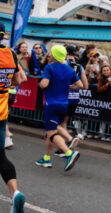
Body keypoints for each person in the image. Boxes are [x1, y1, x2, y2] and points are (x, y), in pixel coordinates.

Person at [35, 45, 83, 171]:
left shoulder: (49, 67)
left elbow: (44, 84)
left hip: (52, 103)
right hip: (64, 104)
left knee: (51, 133)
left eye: (51, 53)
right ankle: (46, 158)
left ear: (55, 55)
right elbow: (80, 85)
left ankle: (69, 153)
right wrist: (68, 87)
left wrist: (40, 84)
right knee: (53, 129)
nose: (49, 54)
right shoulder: (70, 70)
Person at [0, 21, 27, 213]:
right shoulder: (10, 54)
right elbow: (18, 80)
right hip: (1, 113)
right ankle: (15, 193)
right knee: (0, 156)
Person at [54, 45, 88, 157]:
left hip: (62, 97)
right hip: (74, 98)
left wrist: (68, 86)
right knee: (63, 123)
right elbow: (85, 86)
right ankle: (62, 147)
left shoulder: (62, 63)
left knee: (59, 123)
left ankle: (67, 145)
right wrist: (74, 86)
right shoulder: (80, 66)